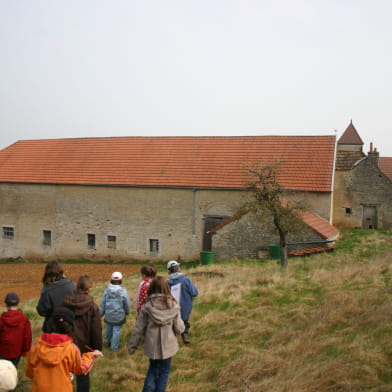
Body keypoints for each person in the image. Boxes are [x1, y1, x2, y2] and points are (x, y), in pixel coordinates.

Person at [128, 276, 185, 392]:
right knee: (164, 372)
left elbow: (138, 329)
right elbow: (179, 329)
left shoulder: (146, 306)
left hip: (152, 345)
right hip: (169, 346)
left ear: (152, 288)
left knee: (153, 368)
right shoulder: (174, 306)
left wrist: (132, 346)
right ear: (167, 288)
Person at [26, 307, 103, 392]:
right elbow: (81, 369)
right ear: (70, 327)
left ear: (50, 323)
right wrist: (90, 355)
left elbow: (30, 373)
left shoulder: (35, 346)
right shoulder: (72, 349)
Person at [63, 275, 102, 392]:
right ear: (89, 289)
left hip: (67, 344)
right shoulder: (93, 307)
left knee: (65, 373)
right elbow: (96, 329)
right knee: (83, 374)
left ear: (76, 286)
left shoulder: (66, 303)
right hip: (84, 346)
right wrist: (97, 349)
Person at [36, 260, 75, 332]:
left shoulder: (46, 290)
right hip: (70, 324)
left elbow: (41, 311)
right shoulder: (71, 284)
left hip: (52, 327)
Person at [167, 260, 198, 344]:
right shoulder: (186, 280)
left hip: (171, 308)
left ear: (169, 271)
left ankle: (171, 338)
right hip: (185, 307)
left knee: (172, 322)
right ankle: (185, 335)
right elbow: (194, 293)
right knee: (184, 321)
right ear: (179, 268)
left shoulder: (166, 282)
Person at [99, 271, 130, 351]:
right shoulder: (123, 290)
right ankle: (114, 347)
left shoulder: (107, 290)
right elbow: (126, 302)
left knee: (109, 327)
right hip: (119, 315)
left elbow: (103, 302)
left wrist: (101, 314)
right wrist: (127, 311)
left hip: (109, 314)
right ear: (121, 280)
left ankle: (107, 341)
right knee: (116, 330)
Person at [0, 292, 32, 368]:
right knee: (13, 370)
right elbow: (27, 337)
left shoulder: (2, 320)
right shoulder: (24, 319)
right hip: (17, 352)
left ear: (6, 305)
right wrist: (25, 350)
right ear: (18, 304)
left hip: (3, 352)